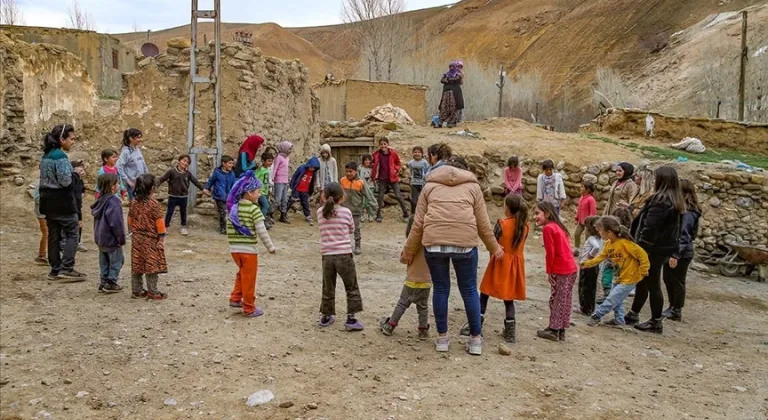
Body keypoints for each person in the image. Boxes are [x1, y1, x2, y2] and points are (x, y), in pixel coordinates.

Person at [402, 157, 503, 356]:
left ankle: (442, 338)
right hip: (465, 245)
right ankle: (475, 339)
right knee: (469, 291)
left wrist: (408, 251)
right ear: (465, 171)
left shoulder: (429, 186)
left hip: (434, 244)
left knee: (441, 289)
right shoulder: (473, 188)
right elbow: (483, 224)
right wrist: (494, 248)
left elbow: (418, 223)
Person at [625, 166, 685, 333]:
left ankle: (656, 321)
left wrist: (640, 250)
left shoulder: (660, 201)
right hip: (663, 249)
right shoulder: (675, 201)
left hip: (652, 250)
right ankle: (633, 313)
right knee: (645, 282)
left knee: (652, 284)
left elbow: (650, 228)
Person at [471, 194, 529, 344]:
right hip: (515, 265)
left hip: (500, 262)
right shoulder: (525, 226)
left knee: (484, 293)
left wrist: (493, 256)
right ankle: (510, 332)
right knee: (508, 298)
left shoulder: (502, 224)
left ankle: (476, 325)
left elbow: (493, 243)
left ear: (507, 208)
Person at [38, 124, 87, 281]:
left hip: (47, 200)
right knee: (72, 232)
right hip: (62, 202)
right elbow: (66, 182)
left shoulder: (46, 156)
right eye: (71, 139)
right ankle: (66, 268)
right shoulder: (60, 157)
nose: (73, 142)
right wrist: (76, 174)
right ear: (62, 139)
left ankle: (55, 269)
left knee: (54, 235)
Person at [226, 170, 277, 317]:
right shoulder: (254, 210)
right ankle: (249, 308)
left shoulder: (233, 209)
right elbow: (262, 231)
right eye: (258, 191)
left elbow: (229, 229)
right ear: (249, 193)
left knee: (242, 273)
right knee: (249, 278)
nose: (260, 194)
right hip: (249, 251)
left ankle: (235, 298)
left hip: (235, 250)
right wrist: (270, 247)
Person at [583, 216, 650, 327]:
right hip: (620, 277)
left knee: (612, 298)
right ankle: (619, 321)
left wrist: (643, 270)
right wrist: (587, 263)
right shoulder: (608, 244)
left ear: (608, 232)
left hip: (631, 278)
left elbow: (642, 255)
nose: (599, 233)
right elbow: (601, 257)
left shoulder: (625, 243)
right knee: (617, 300)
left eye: (600, 230)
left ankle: (597, 315)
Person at [317, 182, 364, 331]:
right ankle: (351, 318)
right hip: (344, 254)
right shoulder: (347, 212)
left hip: (327, 256)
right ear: (342, 198)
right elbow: (351, 229)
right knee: (351, 286)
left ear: (323, 197)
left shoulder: (320, 212)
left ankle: (326, 315)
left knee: (328, 286)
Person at [380, 215, 432, 339]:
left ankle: (390, 325)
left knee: (402, 303)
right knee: (423, 306)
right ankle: (423, 330)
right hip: (426, 281)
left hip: (411, 281)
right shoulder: (430, 244)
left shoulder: (411, 245)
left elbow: (403, 259)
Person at [533, 201, 577, 342]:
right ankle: (561, 329)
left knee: (557, 299)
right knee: (565, 299)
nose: (535, 217)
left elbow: (550, 253)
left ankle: (554, 330)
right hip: (571, 268)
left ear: (547, 213)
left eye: (537, 213)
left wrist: (550, 272)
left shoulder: (548, 229)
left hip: (561, 269)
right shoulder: (558, 227)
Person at [662, 179, 701, 322]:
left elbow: (684, 235)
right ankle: (672, 306)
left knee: (677, 280)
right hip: (674, 250)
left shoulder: (689, 212)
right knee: (668, 278)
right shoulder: (682, 209)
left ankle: (676, 309)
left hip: (680, 252)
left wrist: (676, 254)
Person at [128, 174, 168, 300]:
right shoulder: (154, 204)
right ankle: (153, 291)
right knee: (151, 265)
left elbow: (130, 219)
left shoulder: (134, 202)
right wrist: (161, 239)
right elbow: (160, 224)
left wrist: (134, 230)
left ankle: (137, 290)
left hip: (137, 238)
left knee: (137, 263)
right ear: (151, 189)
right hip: (151, 239)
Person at [91, 173, 126, 293]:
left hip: (100, 237)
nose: (119, 185)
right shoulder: (114, 202)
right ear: (112, 186)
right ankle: (111, 282)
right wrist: (120, 238)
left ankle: (103, 281)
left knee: (104, 261)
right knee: (117, 261)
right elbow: (116, 223)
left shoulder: (99, 200)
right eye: (117, 183)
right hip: (111, 239)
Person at [158, 154, 209, 235]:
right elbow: (162, 179)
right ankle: (166, 227)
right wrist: (155, 186)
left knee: (183, 212)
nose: (185, 163)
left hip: (183, 197)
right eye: (184, 161)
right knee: (170, 212)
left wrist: (203, 189)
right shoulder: (172, 171)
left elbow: (195, 181)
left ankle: (183, 227)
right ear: (179, 161)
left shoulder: (188, 174)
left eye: (187, 162)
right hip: (173, 196)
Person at [340, 161, 377, 255]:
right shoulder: (342, 180)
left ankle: (357, 245)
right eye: (347, 171)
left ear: (356, 171)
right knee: (343, 228)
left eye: (350, 171)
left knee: (356, 228)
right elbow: (338, 194)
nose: (348, 173)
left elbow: (368, 194)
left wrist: (374, 205)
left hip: (356, 209)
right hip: (344, 209)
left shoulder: (361, 182)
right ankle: (344, 245)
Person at [372, 138, 409, 223]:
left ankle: (405, 214)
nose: (383, 146)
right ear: (379, 145)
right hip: (382, 178)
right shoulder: (376, 154)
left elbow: (398, 163)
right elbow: (373, 163)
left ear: (388, 144)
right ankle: (378, 215)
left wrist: (396, 169)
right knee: (380, 196)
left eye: (385, 144)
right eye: (381, 144)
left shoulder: (393, 153)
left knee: (399, 195)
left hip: (392, 178)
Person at [576, 216, 602, 315]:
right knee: (591, 287)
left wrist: (590, 255)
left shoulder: (591, 238)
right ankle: (590, 308)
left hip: (587, 264)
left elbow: (596, 247)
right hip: (595, 264)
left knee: (584, 286)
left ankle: (584, 308)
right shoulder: (601, 238)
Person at [204, 155, 236, 234]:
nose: (231, 165)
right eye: (230, 163)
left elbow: (234, 185)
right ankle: (223, 228)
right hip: (219, 197)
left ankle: (230, 227)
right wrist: (206, 188)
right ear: (224, 164)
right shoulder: (217, 173)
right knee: (223, 211)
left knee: (230, 211)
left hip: (229, 196)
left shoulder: (232, 174)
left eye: (232, 163)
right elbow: (211, 181)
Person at [117, 128, 148, 200]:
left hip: (141, 183)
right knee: (134, 206)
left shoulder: (137, 149)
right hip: (133, 185)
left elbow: (143, 164)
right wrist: (128, 181)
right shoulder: (126, 152)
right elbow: (119, 167)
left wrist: (147, 176)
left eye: (140, 137)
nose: (140, 139)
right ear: (131, 138)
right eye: (138, 137)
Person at [287, 156, 320, 225]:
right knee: (292, 200)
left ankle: (307, 215)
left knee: (305, 203)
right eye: (311, 167)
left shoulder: (313, 172)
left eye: (314, 168)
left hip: (305, 190)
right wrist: (291, 186)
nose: (312, 169)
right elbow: (295, 176)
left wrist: (312, 189)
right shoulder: (302, 168)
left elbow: (312, 182)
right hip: (297, 188)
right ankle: (284, 212)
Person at [436, 61, 464, 128]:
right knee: (443, 108)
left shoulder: (459, 74)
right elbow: (442, 80)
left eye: (453, 67)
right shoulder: (446, 74)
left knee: (454, 108)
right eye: (450, 67)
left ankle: (452, 122)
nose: (451, 68)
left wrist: (448, 80)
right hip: (446, 93)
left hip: (454, 94)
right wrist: (449, 80)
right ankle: (440, 122)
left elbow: (456, 80)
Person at [273, 141, 293, 223]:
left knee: (285, 200)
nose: (290, 151)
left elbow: (286, 170)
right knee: (277, 199)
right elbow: (275, 169)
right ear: (284, 149)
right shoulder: (278, 158)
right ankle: (269, 214)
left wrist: (288, 178)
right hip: (278, 181)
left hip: (285, 181)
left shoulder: (287, 158)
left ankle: (283, 215)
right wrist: (272, 179)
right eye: (289, 149)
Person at [574, 180, 597, 250]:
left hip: (588, 223)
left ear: (587, 189)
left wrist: (590, 223)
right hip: (581, 221)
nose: (580, 188)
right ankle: (577, 249)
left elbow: (593, 212)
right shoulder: (581, 197)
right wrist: (577, 218)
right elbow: (579, 209)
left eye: (582, 187)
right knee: (576, 234)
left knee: (588, 236)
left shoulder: (591, 199)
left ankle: (587, 250)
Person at [407, 146, 430, 213]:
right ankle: (413, 214)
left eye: (419, 152)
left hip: (422, 183)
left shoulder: (424, 162)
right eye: (415, 152)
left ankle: (423, 213)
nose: (417, 154)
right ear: (413, 153)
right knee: (414, 200)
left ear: (422, 154)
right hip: (414, 183)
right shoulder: (411, 162)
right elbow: (408, 168)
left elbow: (428, 171)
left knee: (422, 199)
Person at [71, 160, 87, 252]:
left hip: (78, 206)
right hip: (74, 207)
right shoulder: (74, 183)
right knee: (77, 224)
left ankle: (78, 242)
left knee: (79, 225)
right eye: (80, 171)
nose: (83, 172)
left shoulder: (80, 181)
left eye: (83, 170)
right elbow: (76, 199)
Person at [255, 152, 274, 229]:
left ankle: (262, 222)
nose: (270, 163)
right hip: (260, 192)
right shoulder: (260, 170)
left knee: (263, 206)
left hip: (265, 191)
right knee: (265, 206)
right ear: (263, 161)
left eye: (271, 161)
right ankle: (259, 222)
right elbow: (255, 178)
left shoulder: (267, 169)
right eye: (269, 161)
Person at [32, 185, 48, 265]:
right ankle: (42, 255)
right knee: (46, 233)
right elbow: (37, 199)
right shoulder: (42, 184)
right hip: (42, 213)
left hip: (45, 212)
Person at [359, 153, 376, 222]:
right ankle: (361, 215)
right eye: (366, 160)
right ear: (363, 161)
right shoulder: (360, 168)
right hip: (362, 187)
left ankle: (371, 215)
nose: (367, 161)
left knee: (369, 202)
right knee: (362, 202)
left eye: (369, 160)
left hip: (370, 186)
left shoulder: (372, 169)